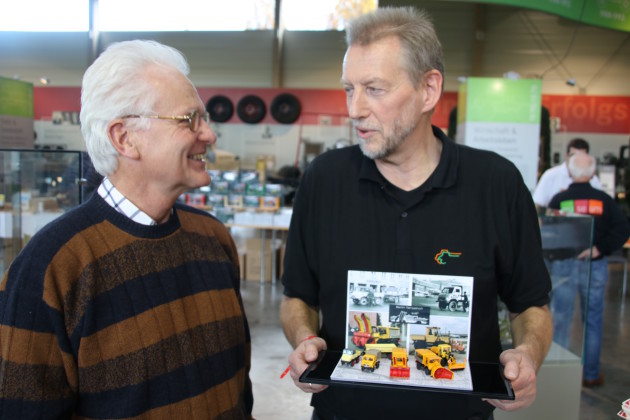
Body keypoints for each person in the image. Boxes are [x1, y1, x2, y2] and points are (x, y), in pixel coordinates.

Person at [280, 6, 552, 420]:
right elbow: (298, 296)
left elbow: (530, 304)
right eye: (349, 89)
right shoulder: (324, 181)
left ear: (429, 89)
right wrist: (303, 338)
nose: (354, 109)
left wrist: (528, 355)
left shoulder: (496, 184)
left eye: (374, 89)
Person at [0, 40, 253, 419]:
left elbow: (238, 387)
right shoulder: (52, 268)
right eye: (189, 120)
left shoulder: (213, 238)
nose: (209, 135)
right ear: (124, 138)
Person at [547, 153, 630, 387]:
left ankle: (558, 375)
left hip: (563, 266)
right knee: (592, 321)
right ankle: (591, 375)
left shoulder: (559, 200)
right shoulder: (604, 200)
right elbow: (623, 227)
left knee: (561, 319)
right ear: (593, 174)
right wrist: (599, 248)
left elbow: (551, 234)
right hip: (595, 266)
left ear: (570, 172)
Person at [532, 138, 601, 210]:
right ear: (567, 155)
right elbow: (537, 204)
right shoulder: (550, 175)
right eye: (573, 155)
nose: (576, 159)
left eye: (580, 156)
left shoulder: (594, 179)